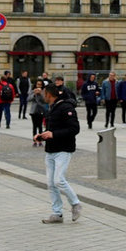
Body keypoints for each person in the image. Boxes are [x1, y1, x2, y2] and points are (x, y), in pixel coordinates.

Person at [36, 84, 82, 224]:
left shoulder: (66, 107)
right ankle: (57, 213)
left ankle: (75, 204)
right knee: (51, 183)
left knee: (58, 180)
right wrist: (42, 136)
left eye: (44, 93)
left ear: (49, 94)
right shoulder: (52, 108)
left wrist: (53, 134)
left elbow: (75, 128)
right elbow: (52, 128)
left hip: (63, 149)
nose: (43, 96)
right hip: (51, 150)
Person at [29, 80, 47, 145]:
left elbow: (45, 101)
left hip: (41, 110)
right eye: (37, 84)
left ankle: (40, 140)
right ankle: (34, 140)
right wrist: (34, 94)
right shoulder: (33, 91)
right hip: (34, 111)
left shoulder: (43, 92)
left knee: (40, 126)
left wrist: (40, 94)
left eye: (40, 84)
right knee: (34, 126)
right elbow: (28, 99)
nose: (38, 86)